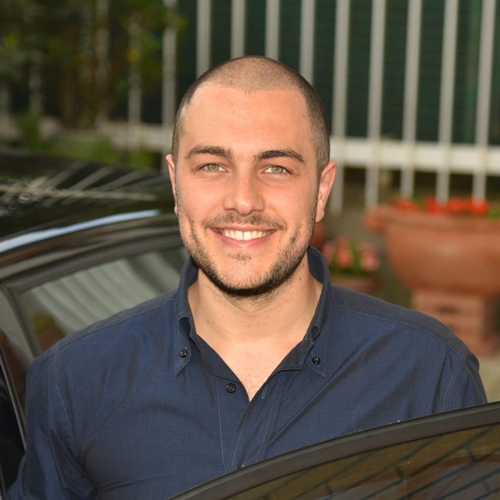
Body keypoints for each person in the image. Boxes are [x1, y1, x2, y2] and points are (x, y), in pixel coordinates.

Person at [8, 56, 486, 499]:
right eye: (212, 166)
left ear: (321, 190)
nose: (243, 199)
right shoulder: (74, 381)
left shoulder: (428, 373)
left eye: (276, 168)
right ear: (175, 182)